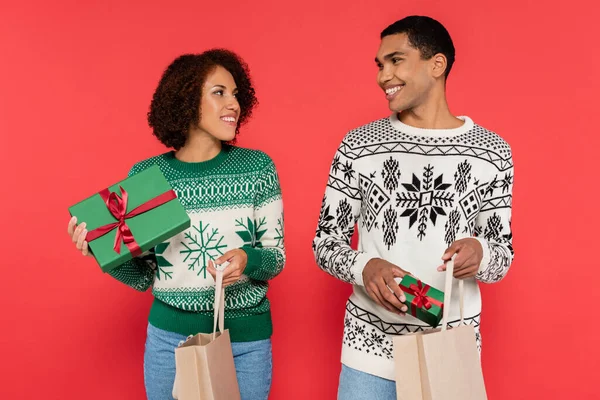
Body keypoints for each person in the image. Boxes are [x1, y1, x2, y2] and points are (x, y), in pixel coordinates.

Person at [313, 16, 514, 399]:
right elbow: (326, 242)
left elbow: (502, 255)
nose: (382, 75)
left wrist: (481, 252)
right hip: (369, 354)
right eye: (380, 64)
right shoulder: (358, 146)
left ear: (436, 65)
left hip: (450, 350)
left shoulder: (493, 152)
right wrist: (364, 266)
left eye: (396, 60)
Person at [68, 49, 285, 400]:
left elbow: (275, 257)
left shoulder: (258, 167)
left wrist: (247, 259)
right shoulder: (147, 179)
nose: (234, 104)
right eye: (219, 93)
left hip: (244, 342)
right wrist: (101, 253)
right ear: (187, 101)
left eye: (235, 94)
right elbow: (143, 276)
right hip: (169, 342)